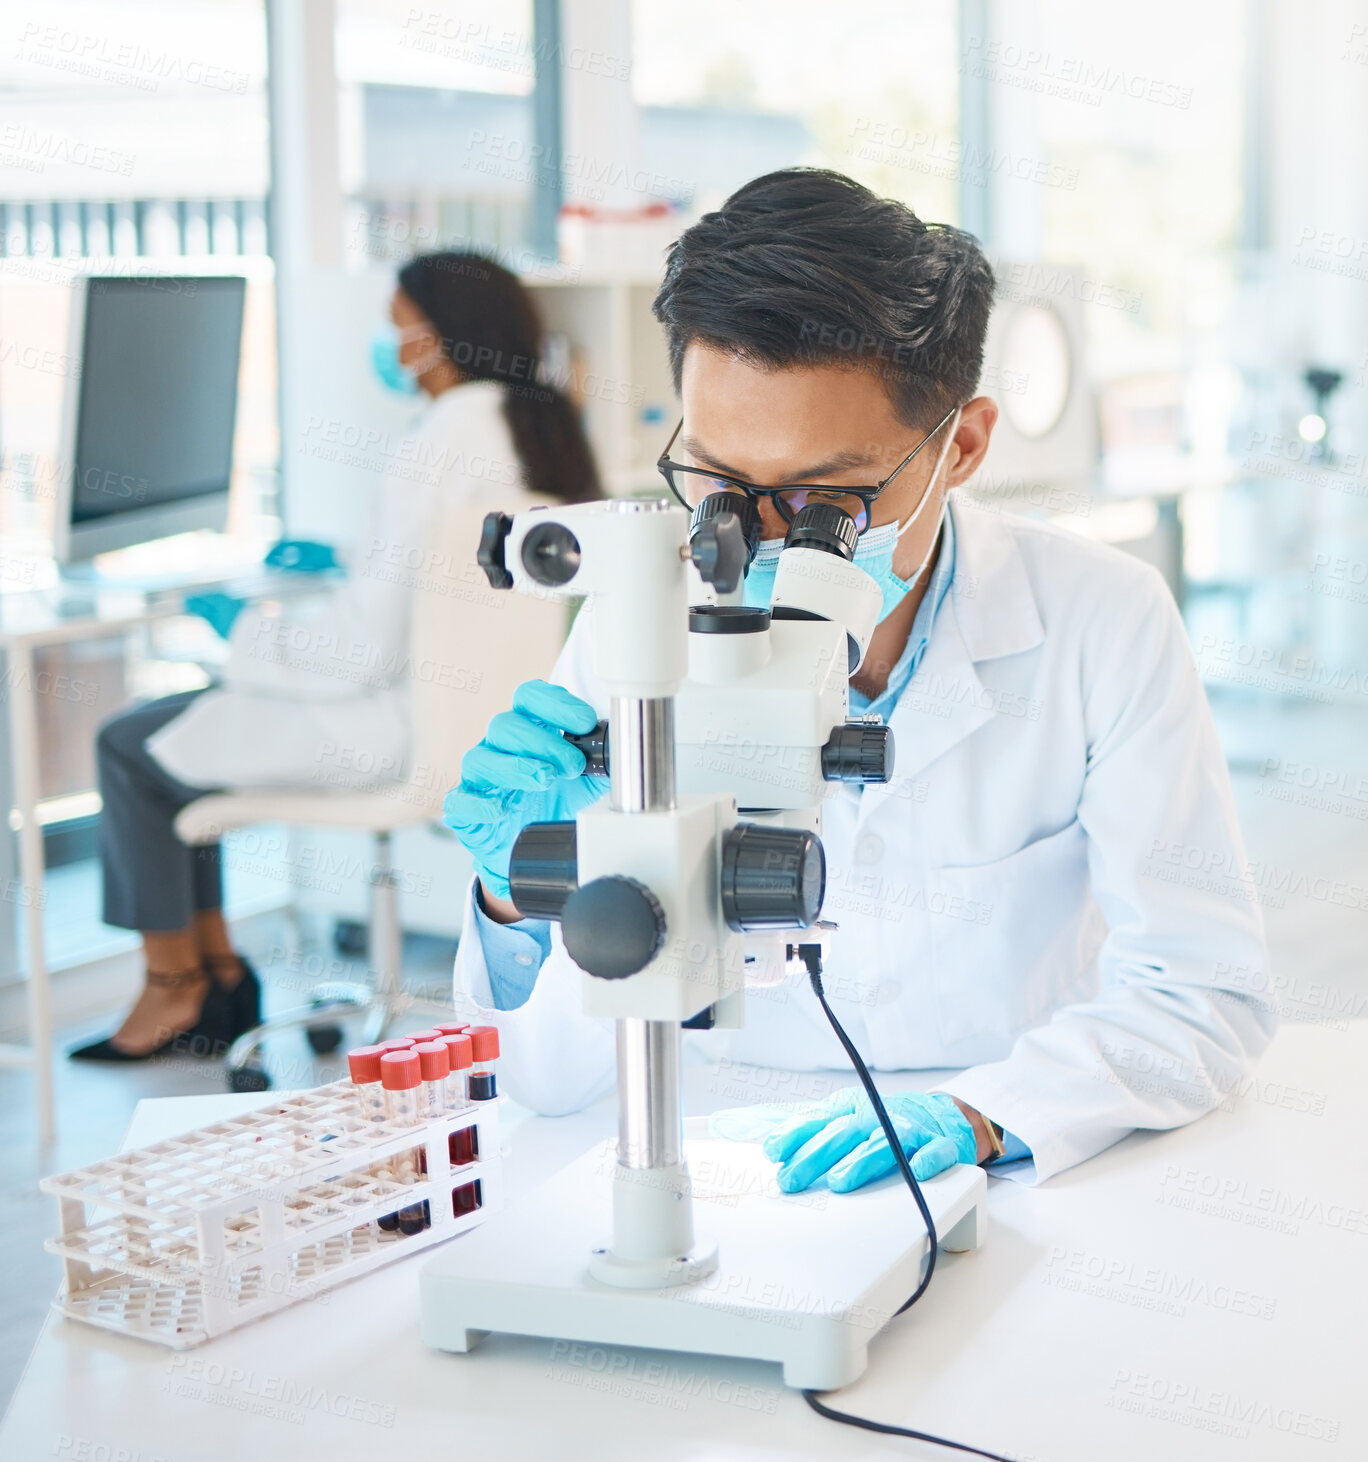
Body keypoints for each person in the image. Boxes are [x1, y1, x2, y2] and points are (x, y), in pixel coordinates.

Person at [442, 170, 1275, 1187]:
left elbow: (1203, 987)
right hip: (718, 1148)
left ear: (960, 444)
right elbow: (547, 1082)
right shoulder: (640, 623)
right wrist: (515, 896)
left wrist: (987, 1111)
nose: (745, 541)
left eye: (819, 498)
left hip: (1006, 1148)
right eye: (715, 484)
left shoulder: (1103, 619)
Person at [73, 252, 600, 1061]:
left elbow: (357, 651)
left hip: (387, 724)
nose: (392, 349)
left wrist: (242, 629)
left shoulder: (444, 431)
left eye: (400, 330)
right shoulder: (532, 421)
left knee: (128, 742)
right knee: (172, 732)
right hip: (473, 720)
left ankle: (177, 985)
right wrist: (348, 557)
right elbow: (435, 579)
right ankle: (216, 974)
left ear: (440, 336)